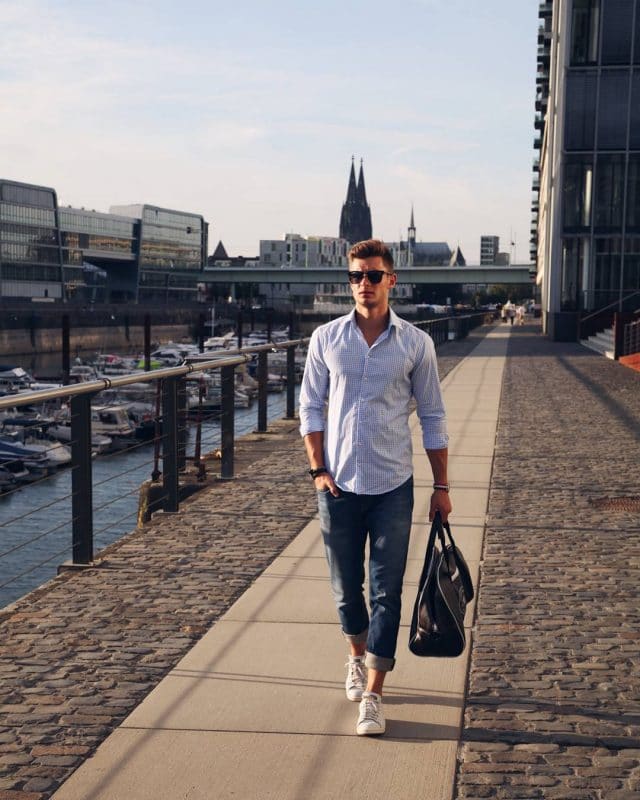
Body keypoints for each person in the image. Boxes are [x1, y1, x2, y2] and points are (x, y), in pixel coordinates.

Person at [299, 238, 451, 737]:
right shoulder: (326, 339)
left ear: (392, 281)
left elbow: (432, 415)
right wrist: (319, 471)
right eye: (355, 276)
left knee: (387, 592)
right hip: (338, 486)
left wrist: (441, 485)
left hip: (392, 486)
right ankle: (355, 656)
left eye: (372, 275)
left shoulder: (415, 344)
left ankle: (374, 693)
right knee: (347, 591)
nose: (363, 284)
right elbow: (311, 408)